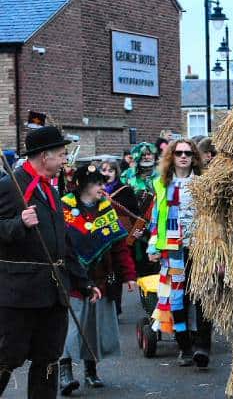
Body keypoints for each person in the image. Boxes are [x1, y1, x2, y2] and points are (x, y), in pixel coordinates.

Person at [0, 126, 101, 398]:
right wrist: (17, 224)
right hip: (19, 294)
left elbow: (63, 244)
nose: (64, 161)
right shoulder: (10, 186)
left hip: (54, 294)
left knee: (48, 360)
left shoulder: (52, 191)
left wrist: (83, 281)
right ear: (44, 157)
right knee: (8, 357)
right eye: (61, 155)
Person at [59, 165, 136, 395]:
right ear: (84, 186)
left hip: (101, 278)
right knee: (72, 327)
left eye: (103, 183)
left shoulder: (107, 210)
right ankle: (65, 372)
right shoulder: (64, 209)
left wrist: (129, 275)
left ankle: (90, 371)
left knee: (93, 327)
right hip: (72, 280)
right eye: (98, 184)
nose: (103, 188)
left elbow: (119, 247)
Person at [146, 139, 212, 368]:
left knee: (204, 296)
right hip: (174, 250)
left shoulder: (204, 184)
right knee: (178, 299)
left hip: (201, 248)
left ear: (194, 157)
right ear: (171, 157)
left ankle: (203, 346)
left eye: (188, 153)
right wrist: (153, 246)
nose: (183, 156)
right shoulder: (162, 185)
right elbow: (156, 219)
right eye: (178, 152)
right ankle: (185, 347)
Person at [101, 160, 142, 315]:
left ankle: (115, 306)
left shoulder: (124, 190)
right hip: (102, 235)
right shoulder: (97, 189)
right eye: (104, 170)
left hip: (120, 235)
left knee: (117, 271)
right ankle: (106, 303)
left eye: (111, 170)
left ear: (116, 173)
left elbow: (134, 213)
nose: (107, 173)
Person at [121, 142, 159, 277]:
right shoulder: (127, 175)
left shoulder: (163, 173)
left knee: (157, 263)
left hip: (157, 224)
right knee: (139, 262)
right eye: (143, 154)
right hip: (134, 225)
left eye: (149, 154)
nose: (147, 157)